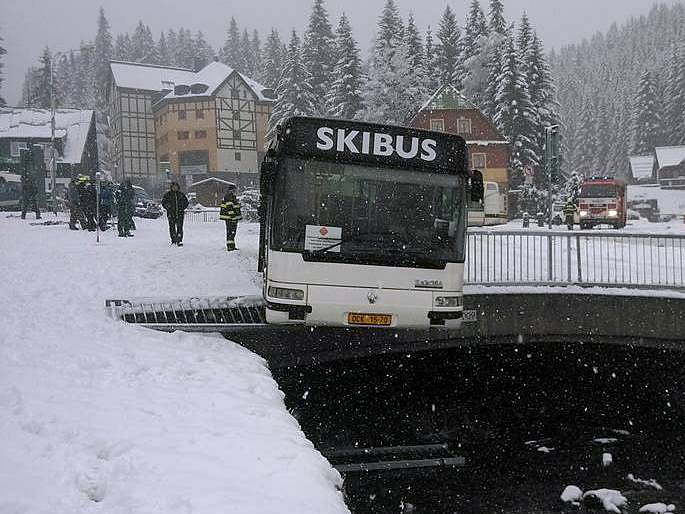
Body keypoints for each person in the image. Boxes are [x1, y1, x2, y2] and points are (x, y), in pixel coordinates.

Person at [161, 182, 189, 246]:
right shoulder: (168, 195)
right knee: (172, 227)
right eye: (173, 187)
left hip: (180, 214)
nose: (175, 188)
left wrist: (182, 208)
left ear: (178, 187)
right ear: (171, 187)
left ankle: (179, 239)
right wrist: (168, 207)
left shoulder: (181, 195)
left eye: (176, 186)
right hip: (171, 214)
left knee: (180, 227)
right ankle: (173, 239)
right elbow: (164, 203)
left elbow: (186, 203)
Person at [219, 186, 243, 251]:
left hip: (230, 218)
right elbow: (229, 208)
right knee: (231, 232)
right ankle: (230, 247)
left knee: (231, 232)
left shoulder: (230, 196)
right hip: (230, 218)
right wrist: (233, 218)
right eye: (235, 190)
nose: (236, 191)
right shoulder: (229, 196)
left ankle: (231, 246)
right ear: (231, 190)